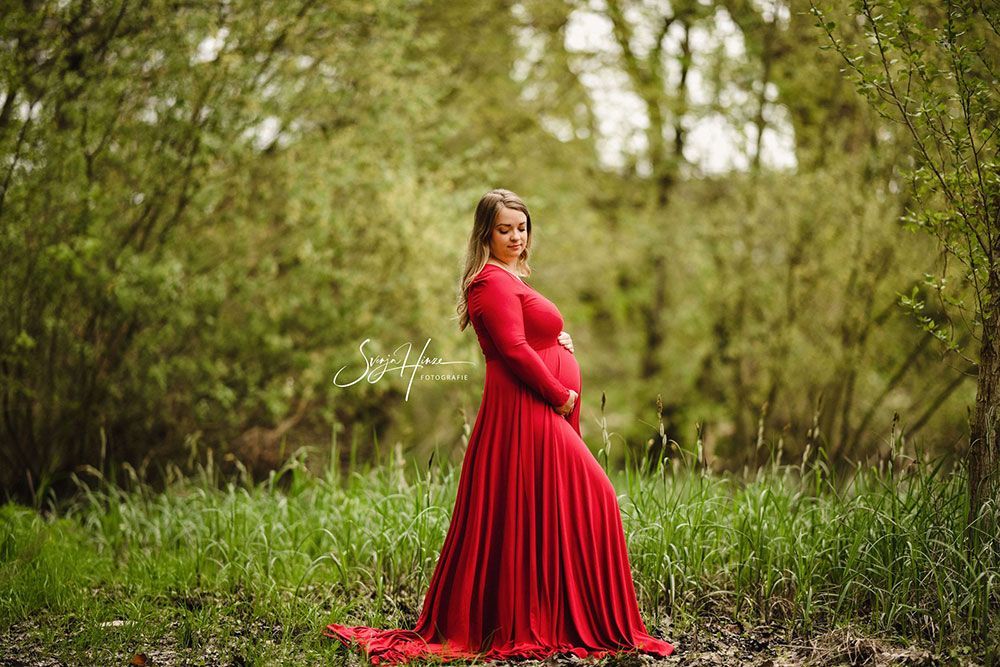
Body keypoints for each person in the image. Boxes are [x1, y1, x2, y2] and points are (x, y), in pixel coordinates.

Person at [324, 188, 675, 663]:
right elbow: (511, 349)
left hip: (538, 411)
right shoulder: (488, 281)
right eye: (504, 229)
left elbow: (526, 333)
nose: (515, 237)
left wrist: (556, 337)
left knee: (551, 511)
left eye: (521, 228)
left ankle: (557, 618)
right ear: (485, 233)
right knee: (599, 498)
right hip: (527, 411)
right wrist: (559, 394)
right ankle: (585, 624)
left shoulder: (511, 278)